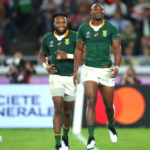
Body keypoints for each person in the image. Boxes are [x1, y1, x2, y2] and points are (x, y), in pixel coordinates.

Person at [73, 3, 122, 150]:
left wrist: (117, 66)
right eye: (97, 10)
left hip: (106, 70)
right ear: (91, 12)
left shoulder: (111, 28)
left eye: (102, 10)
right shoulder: (83, 28)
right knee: (91, 101)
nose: (100, 12)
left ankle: (111, 125)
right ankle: (91, 137)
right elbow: (78, 50)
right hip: (89, 70)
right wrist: (76, 71)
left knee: (108, 106)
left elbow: (117, 48)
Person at [39, 13, 76, 150]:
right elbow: (42, 55)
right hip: (56, 77)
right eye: (58, 23)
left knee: (67, 112)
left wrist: (69, 56)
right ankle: (57, 143)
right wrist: (46, 67)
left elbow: (84, 54)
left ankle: (65, 137)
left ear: (67, 23)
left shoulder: (74, 36)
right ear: (54, 24)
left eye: (63, 22)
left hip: (71, 77)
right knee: (58, 107)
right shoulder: (47, 38)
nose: (61, 25)